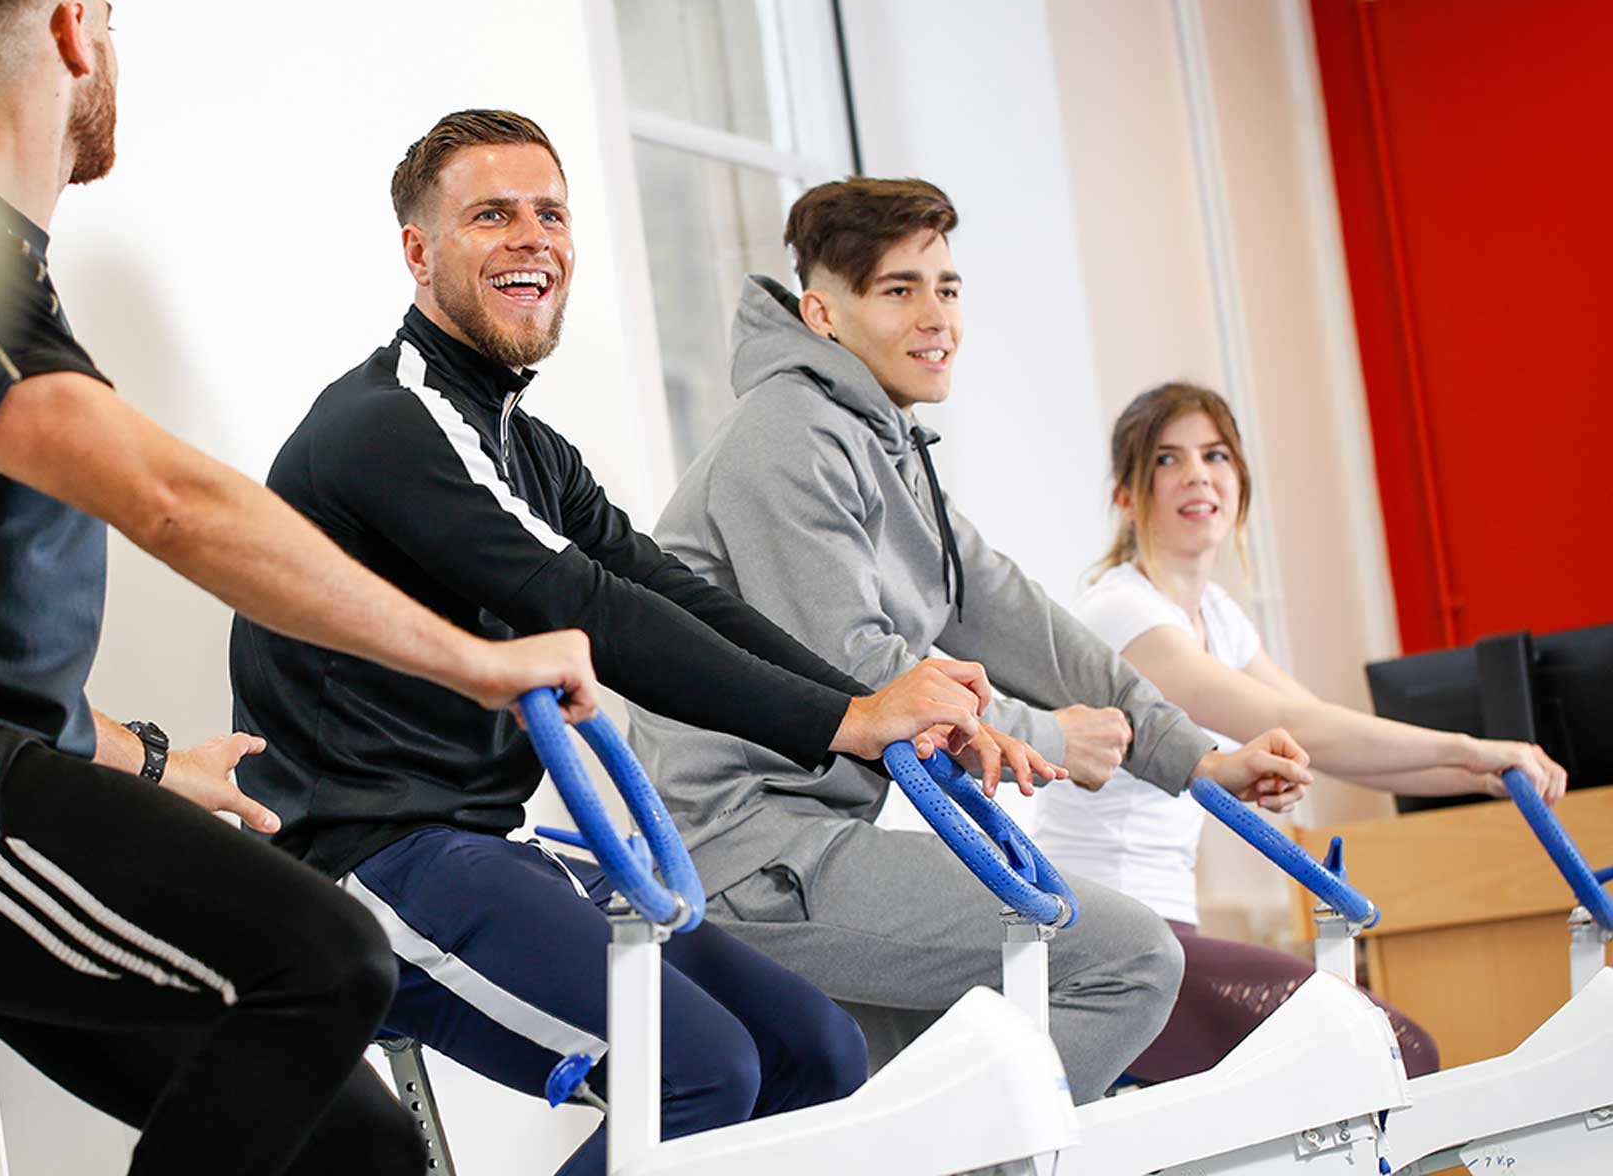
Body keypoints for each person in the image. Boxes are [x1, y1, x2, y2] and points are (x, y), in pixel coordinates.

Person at [0, 0, 602, 1174]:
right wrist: (473, 659)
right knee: (323, 959)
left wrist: (141, 759)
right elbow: (172, 501)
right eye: (115, 31)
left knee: (351, 1137)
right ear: (79, 33)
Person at [227, 112, 1038, 1176]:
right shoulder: (393, 421)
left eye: (550, 213)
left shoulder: (521, 438)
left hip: (482, 843)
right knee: (700, 1070)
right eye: (491, 215)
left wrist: (873, 710)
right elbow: (584, 606)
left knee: (813, 1050)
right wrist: (849, 719)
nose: (532, 237)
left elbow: (663, 584)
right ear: (419, 251)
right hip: (369, 863)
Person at [627, 177, 1317, 1101]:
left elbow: (1015, 617)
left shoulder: (888, 444)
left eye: (946, 287)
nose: (935, 316)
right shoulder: (787, 437)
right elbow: (855, 668)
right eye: (898, 290)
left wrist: (1193, 759)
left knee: (938, 1077)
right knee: (1128, 962)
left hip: (805, 841)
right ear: (822, 312)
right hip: (746, 855)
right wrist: (1045, 740)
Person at [1034, 380, 1568, 1080]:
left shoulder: (1218, 617)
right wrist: (1471, 749)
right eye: (1168, 459)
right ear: (1128, 497)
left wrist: (1484, 775)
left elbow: (1320, 740)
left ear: (1240, 483)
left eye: (1216, 455)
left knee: (1374, 1057)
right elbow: (1292, 722)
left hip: (1164, 931)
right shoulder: (1121, 615)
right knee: (1388, 1052)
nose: (1198, 474)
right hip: (1106, 938)